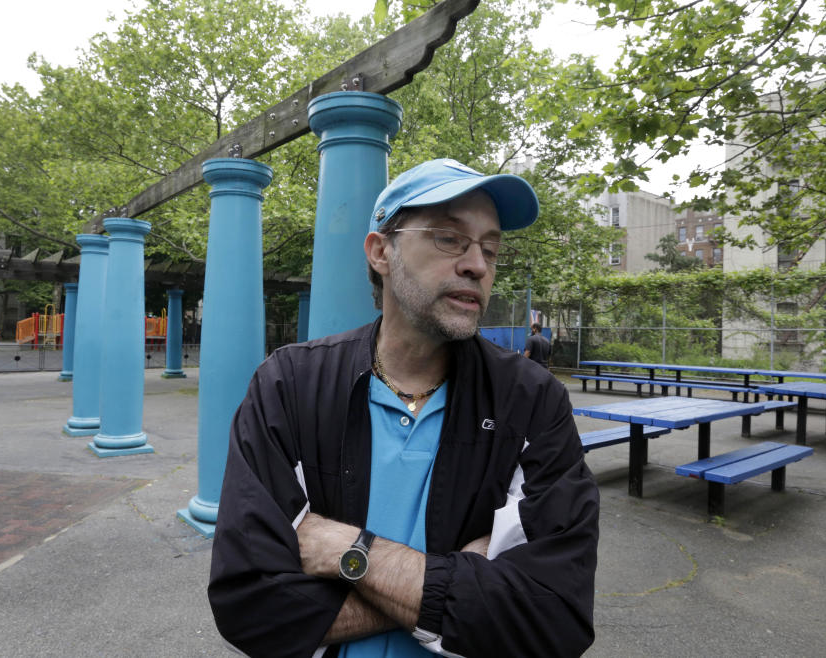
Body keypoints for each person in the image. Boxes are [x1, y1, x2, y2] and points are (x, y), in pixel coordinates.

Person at [208, 158, 599, 657]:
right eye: (450, 239)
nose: (477, 265)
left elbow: (553, 616)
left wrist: (352, 555)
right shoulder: (290, 386)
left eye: (491, 248)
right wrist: (460, 577)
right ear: (381, 252)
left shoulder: (532, 399)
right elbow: (249, 606)